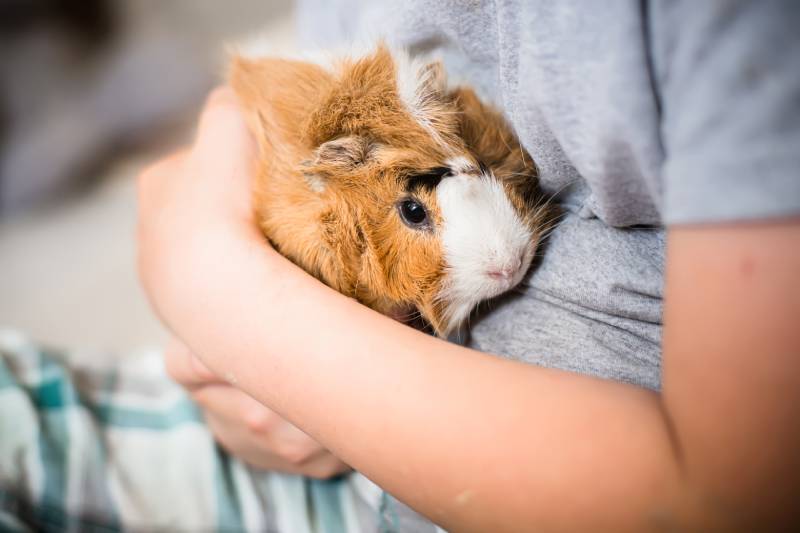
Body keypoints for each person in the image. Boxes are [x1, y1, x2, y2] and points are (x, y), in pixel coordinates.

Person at [2, 1, 799, 531]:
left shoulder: (740, 32)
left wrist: (213, 283)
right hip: (269, 426)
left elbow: (728, 500)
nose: (510, 253)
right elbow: (265, 90)